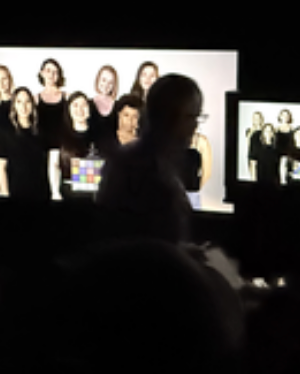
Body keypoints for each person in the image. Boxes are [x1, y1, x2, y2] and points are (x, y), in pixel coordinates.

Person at [98, 75, 203, 242]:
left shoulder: (124, 160)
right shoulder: (147, 170)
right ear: (169, 117)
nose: (195, 125)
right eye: (190, 117)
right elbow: (154, 247)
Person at [0, 87, 53, 201]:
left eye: (27, 102)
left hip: (41, 192)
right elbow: (1, 168)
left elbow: (49, 164)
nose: (23, 106)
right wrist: (5, 195)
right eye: (19, 102)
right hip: (16, 192)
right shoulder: (5, 132)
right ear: (14, 105)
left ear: (32, 104)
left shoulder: (42, 131)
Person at [59, 92, 103, 201]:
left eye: (84, 105)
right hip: (68, 197)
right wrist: (55, 193)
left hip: (96, 197)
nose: (80, 109)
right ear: (68, 109)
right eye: (75, 105)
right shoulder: (60, 135)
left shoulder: (101, 135)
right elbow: (54, 165)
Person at [36, 58, 69, 155]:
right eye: (48, 71)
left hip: (63, 149)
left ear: (59, 75)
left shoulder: (67, 97)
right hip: (41, 149)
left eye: (55, 72)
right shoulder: (35, 99)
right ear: (42, 73)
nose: (51, 75)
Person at [90, 65, 122, 147]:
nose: (106, 85)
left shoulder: (119, 106)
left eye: (110, 82)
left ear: (114, 85)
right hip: (92, 153)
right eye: (103, 80)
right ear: (98, 80)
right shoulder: (87, 105)